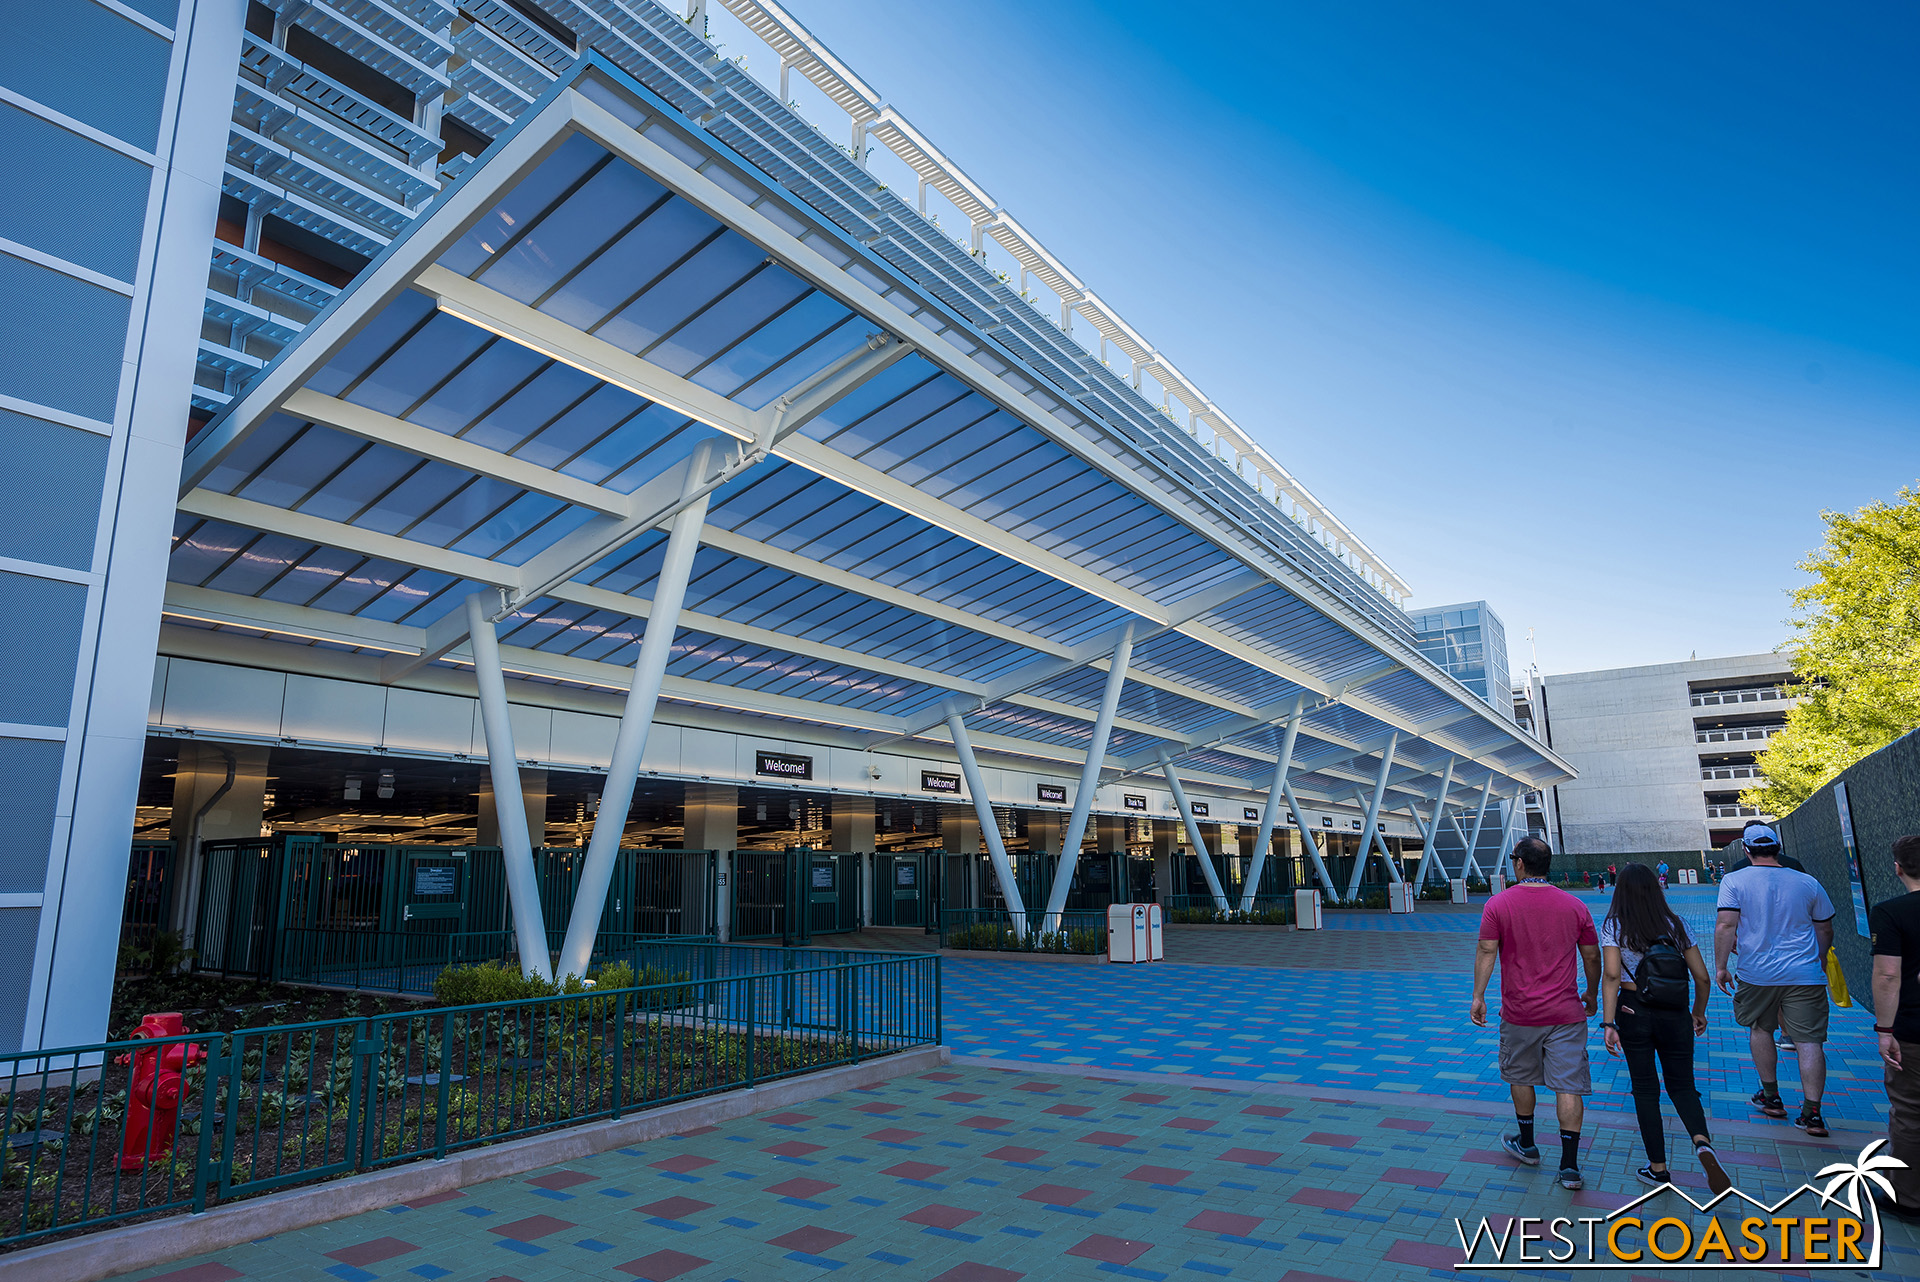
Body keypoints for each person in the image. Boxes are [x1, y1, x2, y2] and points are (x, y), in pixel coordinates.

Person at [1472, 836, 1601, 1190]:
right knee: (1568, 1086)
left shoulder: (1499, 904)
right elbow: (1591, 956)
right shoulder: (1575, 905)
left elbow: (1487, 950)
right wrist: (1590, 992)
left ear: (1518, 863)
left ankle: (1527, 1145)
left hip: (1520, 1012)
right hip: (1566, 1012)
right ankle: (1570, 1167)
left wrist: (1478, 996)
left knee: (1521, 1077)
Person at [1600, 863, 1731, 1193]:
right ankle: (1702, 1143)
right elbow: (1702, 976)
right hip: (1675, 1013)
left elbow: (1612, 975)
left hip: (1633, 1010)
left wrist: (1609, 1021)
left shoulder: (1615, 925)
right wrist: (1697, 1012)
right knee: (1684, 1086)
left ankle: (1658, 1169)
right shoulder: (1677, 924)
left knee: (1645, 1090)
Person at [1714, 823, 1835, 1136]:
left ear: (1746, 850)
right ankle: (1812, 1113)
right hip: (1805, 974)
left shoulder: (1733, 880)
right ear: (1778, 848)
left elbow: (1726, 926)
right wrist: (1818, 960)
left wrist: (1721, 966)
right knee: (1809, 1041)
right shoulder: (1807, 882)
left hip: (1757, 973)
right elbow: (1824, 928)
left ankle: (1771, 1097)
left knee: (1761, 1028)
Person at [1870, 834, 1920, 1218]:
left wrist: (1884, 1031)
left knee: (1909, 1111)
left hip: (1913, 1029)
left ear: (1898, 868)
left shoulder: (1891, 912)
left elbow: (1888, 974)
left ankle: (1907, 1196)